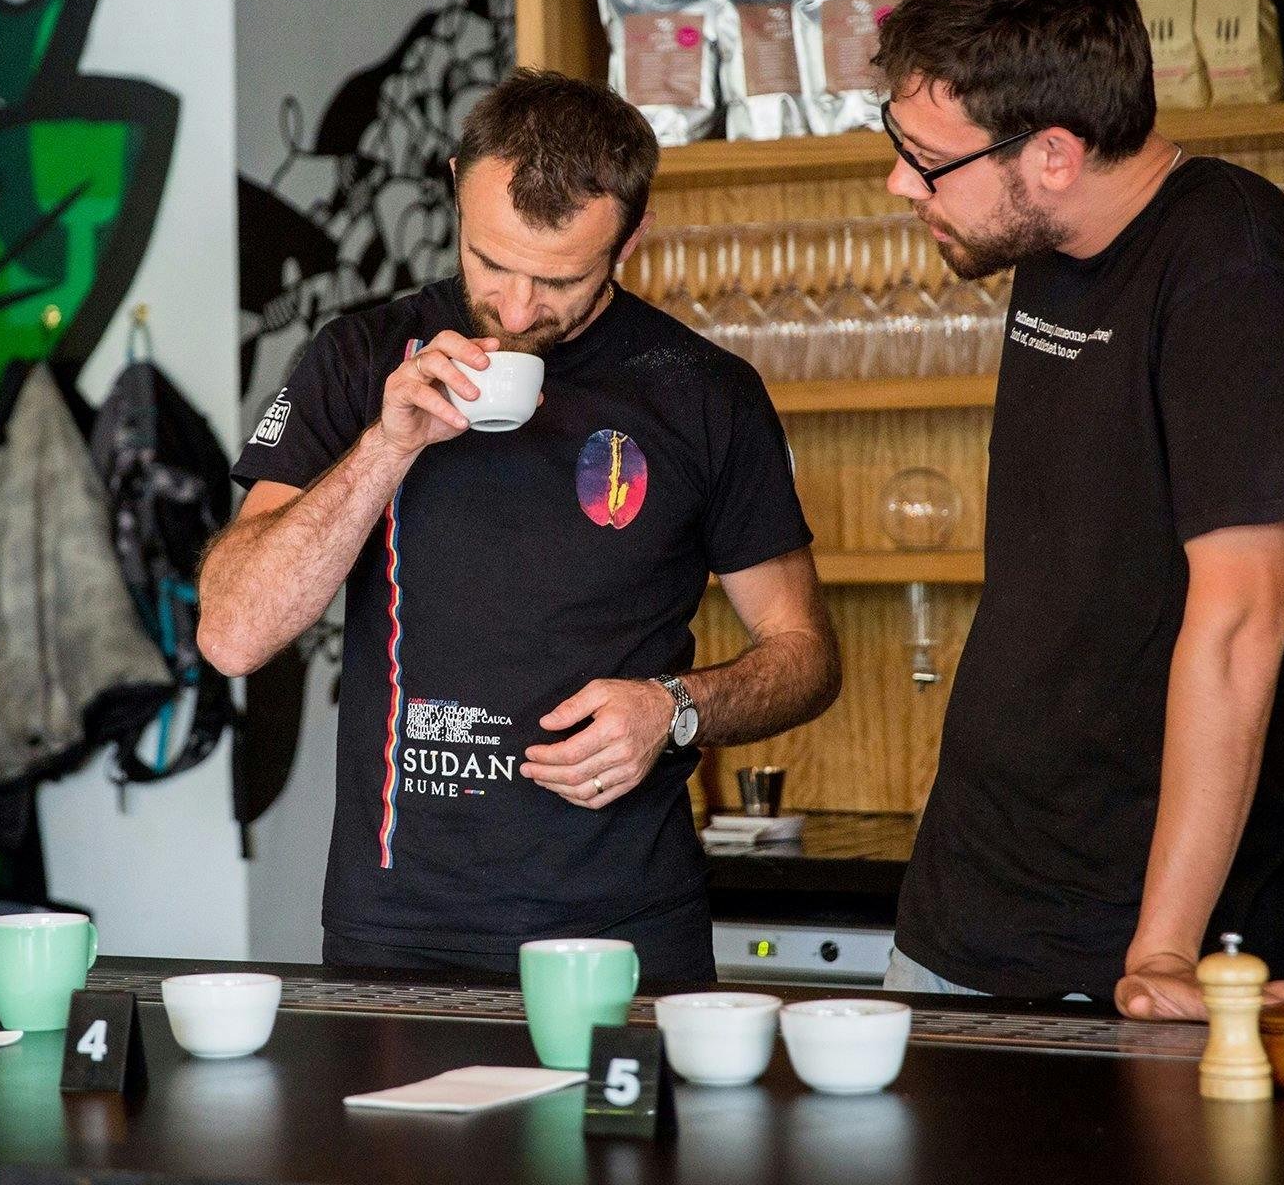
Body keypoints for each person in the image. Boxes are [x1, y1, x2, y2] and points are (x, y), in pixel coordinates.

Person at [198, 69, 840, 979]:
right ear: (457, 183)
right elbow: (231, 634)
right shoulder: (359, 360)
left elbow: (807, 653)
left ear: (632, 235)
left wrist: (677, 708)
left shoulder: (705, 395)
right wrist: (387, 447)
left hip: (626, 926)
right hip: (399, 926)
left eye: (560, 279)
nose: (517, 307)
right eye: (490, 261)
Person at [874, 0, 1284, 1016]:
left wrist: (1162, 952)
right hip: (963, 912)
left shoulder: (1228, 266)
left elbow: (1238, 621)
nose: (898, 187)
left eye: (925, 162)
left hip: (1118, 947)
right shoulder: (1052, 243)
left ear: (1053, 154)